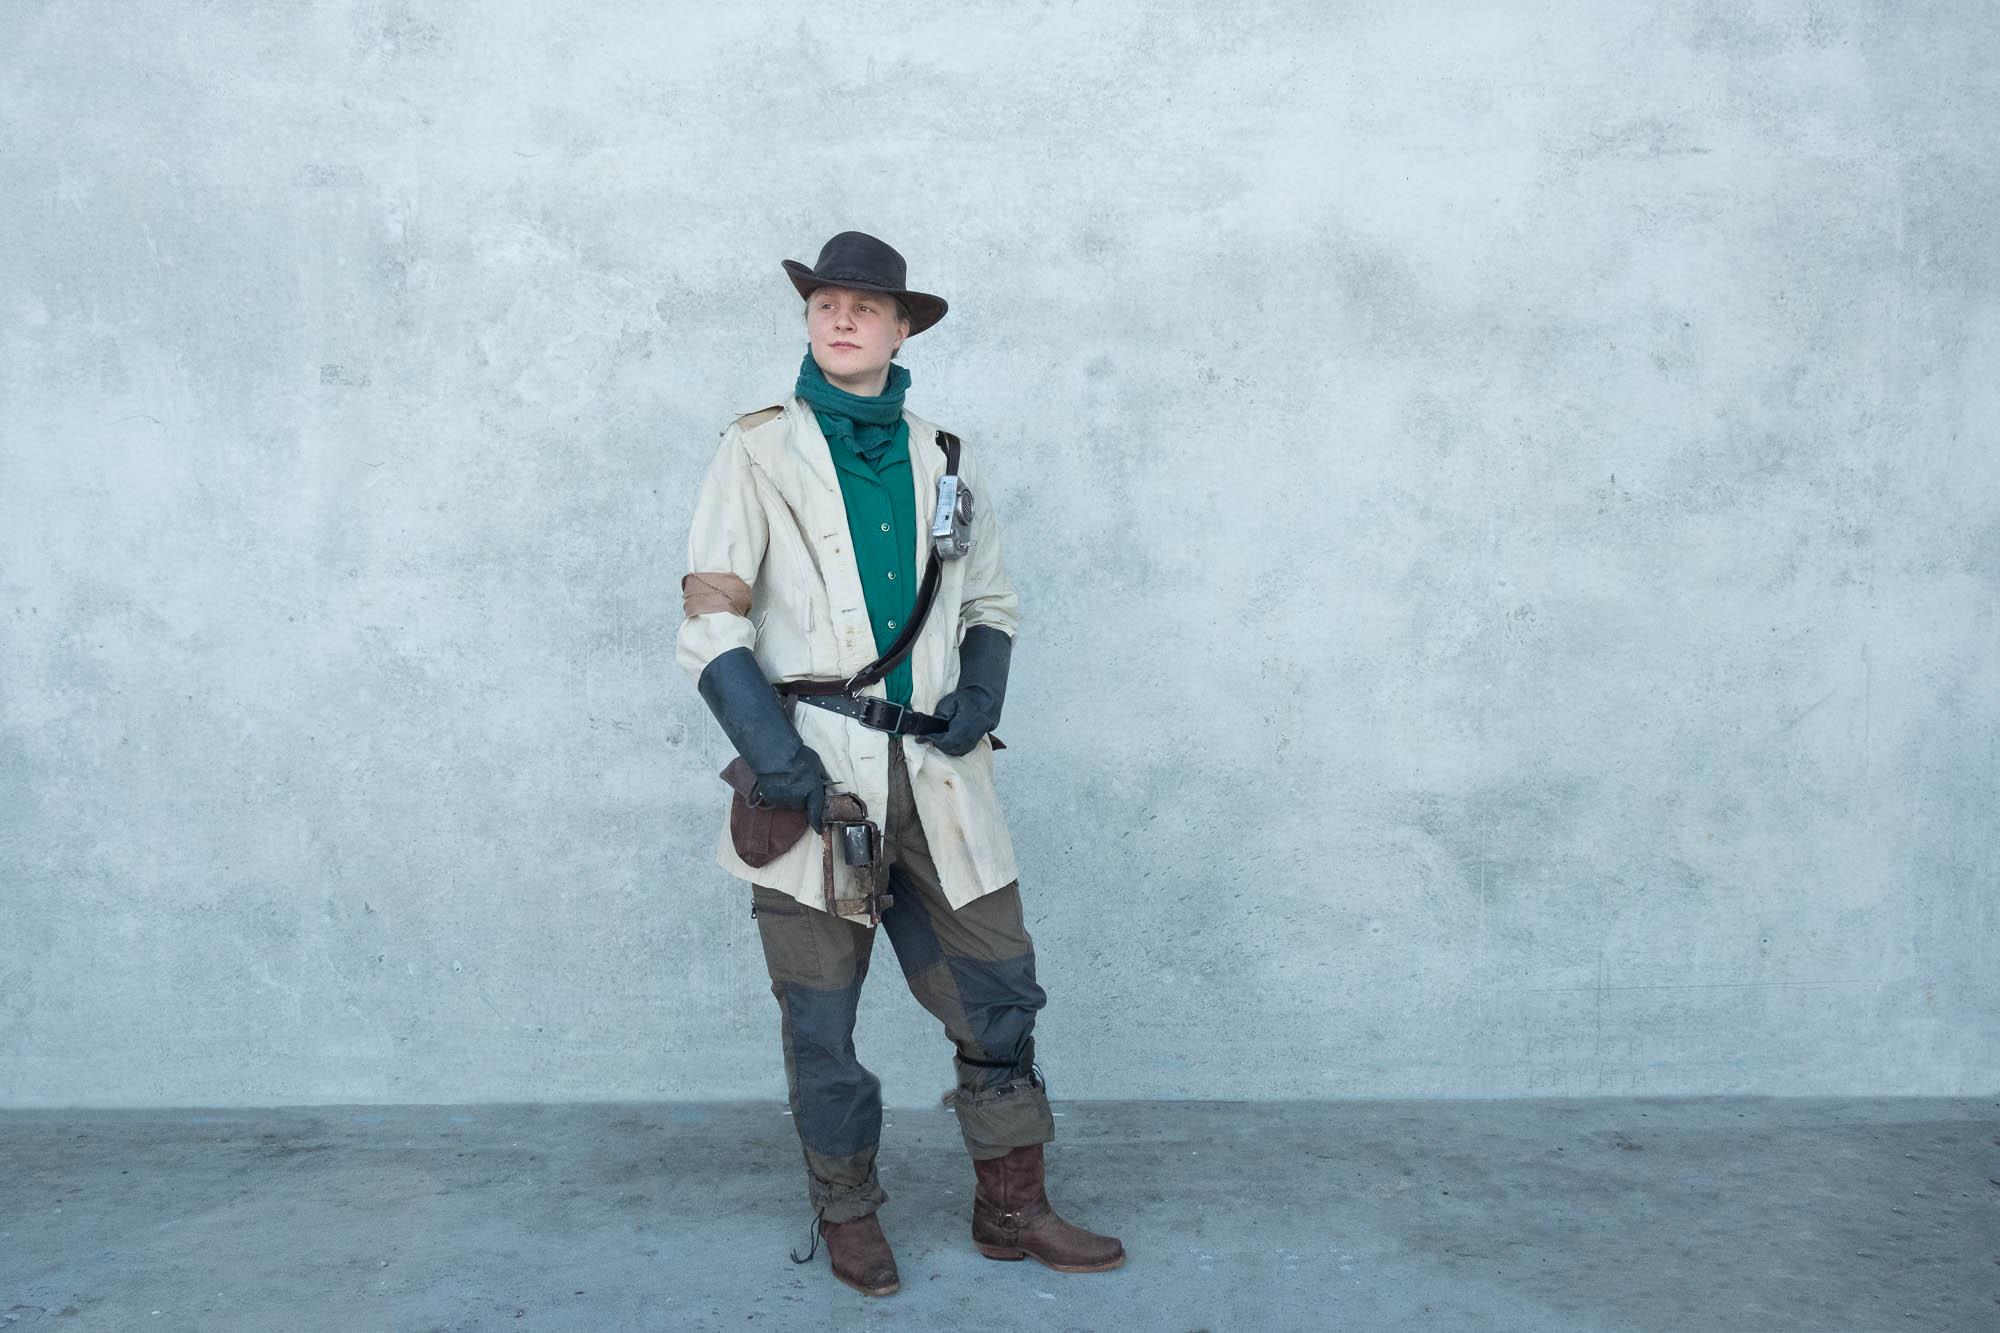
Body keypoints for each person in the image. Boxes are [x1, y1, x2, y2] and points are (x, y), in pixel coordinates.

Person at [676, 232, 1123, 1297]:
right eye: (825, 302)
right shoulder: (756, 449)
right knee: (821, 1018)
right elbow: (711, 619)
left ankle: (1011, 1209)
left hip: (936, 777)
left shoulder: (944, 456)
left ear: (901, 329)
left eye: (866, 307)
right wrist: (777, 760)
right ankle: (847, 1213)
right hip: (816, 784)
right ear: (808, 318)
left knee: (998, 994)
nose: (842, 319)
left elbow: (990, 600)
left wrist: (983, 694)